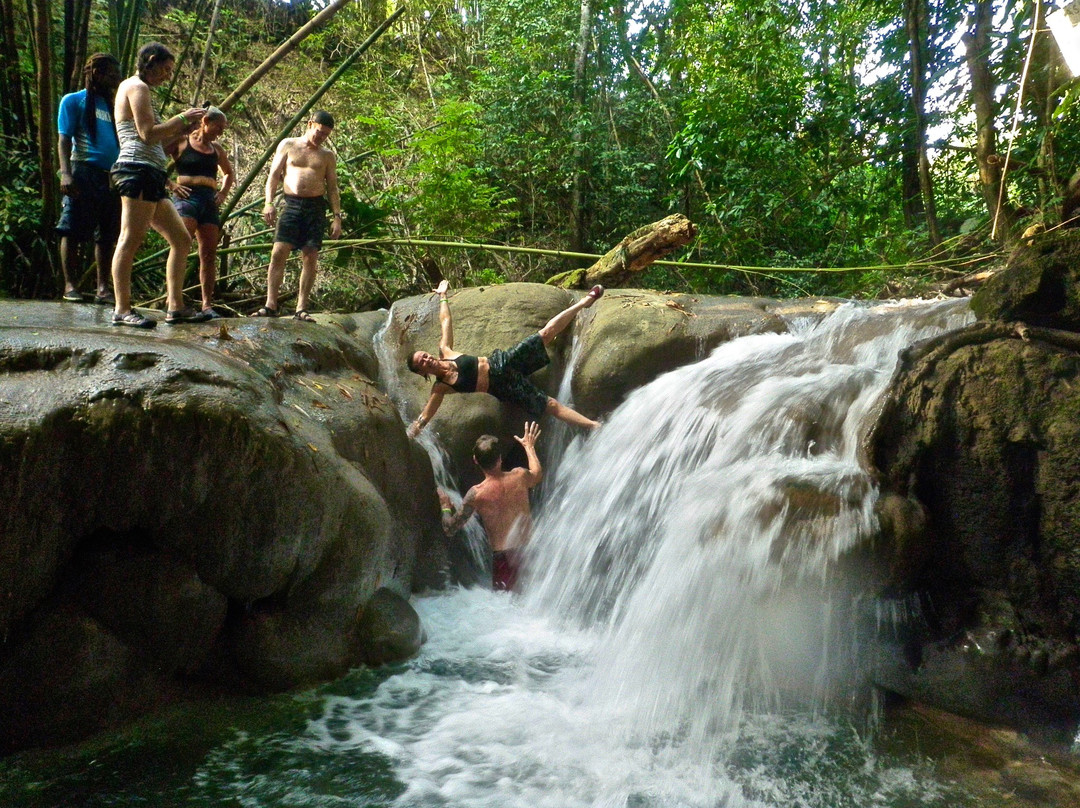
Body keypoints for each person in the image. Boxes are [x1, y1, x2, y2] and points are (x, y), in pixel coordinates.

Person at [406, 280, 603, 437]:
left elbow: (445, 321)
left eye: (424, 355)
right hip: (503, 387)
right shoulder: (440, 388)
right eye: (421, 363)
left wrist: (442, 296)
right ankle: (594, 426)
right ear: (421, 372)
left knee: (545, 334)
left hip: (504, 361)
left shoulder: (446, 351)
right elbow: (425, 417)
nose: (426, 359)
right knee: (550, 405)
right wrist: (410, 434)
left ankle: (584, 302)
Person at [110, 41, 209, 328]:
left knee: (181, 239)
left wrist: (183, 129)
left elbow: (158, 144)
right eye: (165, 69)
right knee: (130, 238)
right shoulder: (136, 87)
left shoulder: (143, 90)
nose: (167, 75)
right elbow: (146, 134)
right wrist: (181, 118)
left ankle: (175, 307)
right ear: (150, 61)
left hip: (151, 173)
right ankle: (121, 309)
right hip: (136, 170)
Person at [253, 109, 342, 322]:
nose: (321, 137)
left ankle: (301, 308)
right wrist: (268, 203)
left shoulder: (327, 155)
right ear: (310, 124)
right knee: (278, 252)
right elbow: (273, 176)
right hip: (291, 204)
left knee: (310, 255)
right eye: (319, 132)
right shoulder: (288, 145)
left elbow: (332, 188)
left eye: (326, 135)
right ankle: (270, 304)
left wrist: (337, 216)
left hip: (315, 207)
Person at [56, 52, 122, 304]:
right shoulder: (74, 101)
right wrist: (66, 174)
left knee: (106, 233)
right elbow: (64, 139)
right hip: (83, 170)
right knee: (71, 228)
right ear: (97, 73)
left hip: (110, 176)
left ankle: (102, 288)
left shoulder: (111, 106)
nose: (117, 79)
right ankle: (70, 285)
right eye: (112, 74)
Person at [443, 422, 543, 591]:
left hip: (504, 561)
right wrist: (529, 447)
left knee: (508, 609)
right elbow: (537, 474)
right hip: (531, 554)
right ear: (500, 458)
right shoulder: (520, 476)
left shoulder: (476, 495)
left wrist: (445, 506)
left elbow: (450, 528)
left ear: (475, 460)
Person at [170, 106, 235, 318]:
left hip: (209, 201)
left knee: (208, 253)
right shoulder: (182, 141)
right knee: (181, 247)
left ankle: (207, 305)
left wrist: (223, 193)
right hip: (186, 198)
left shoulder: (217, 150)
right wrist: (170, 185)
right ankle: (174, 301)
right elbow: (152, 158)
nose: (221, 132)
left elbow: (228, 173)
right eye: (218, 127)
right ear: (205, 121)